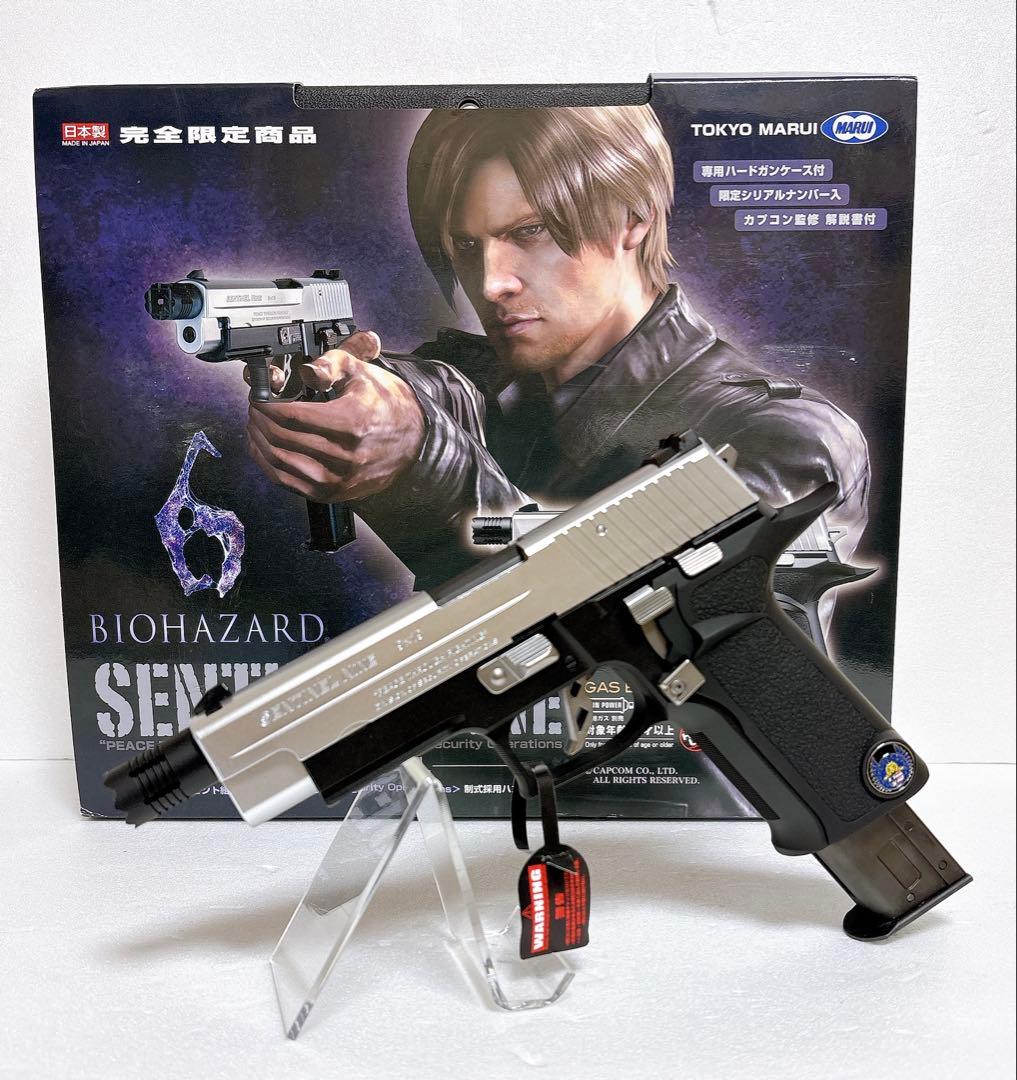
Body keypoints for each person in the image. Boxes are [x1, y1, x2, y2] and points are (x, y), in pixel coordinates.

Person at [245, 105, 869, 590]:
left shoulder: (788, 439)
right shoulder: (504, 388)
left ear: (633, 217)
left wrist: (424, 456)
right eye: (467, 247)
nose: (490, 283)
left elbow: (623, 604)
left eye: (530, 231)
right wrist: (360, 394)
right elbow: (443, 388)